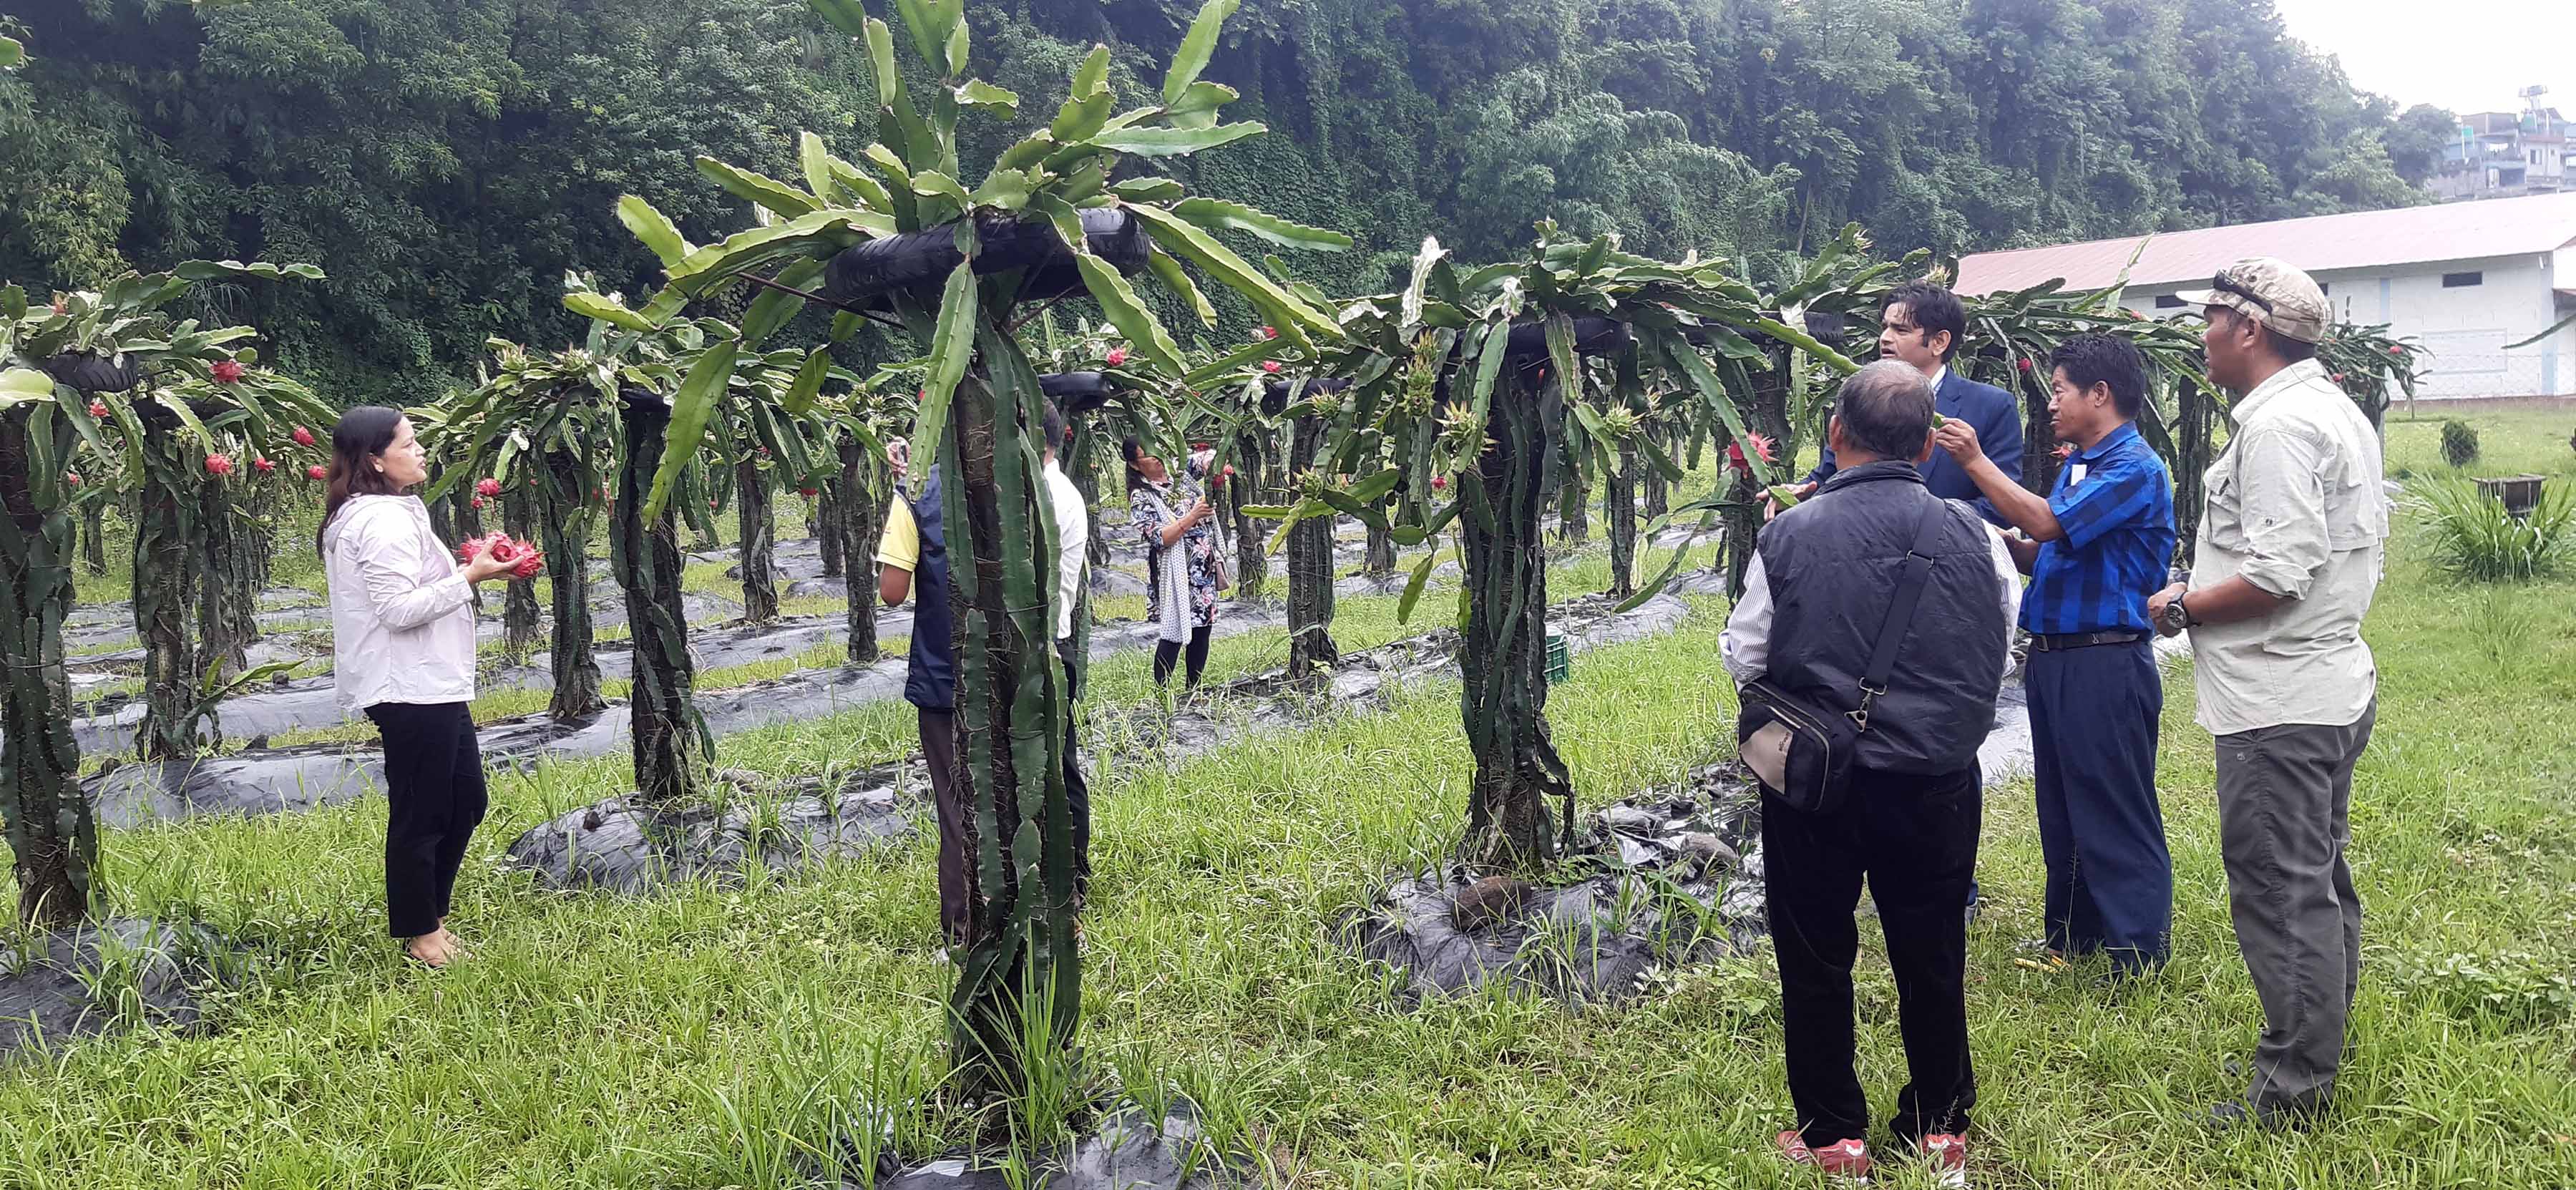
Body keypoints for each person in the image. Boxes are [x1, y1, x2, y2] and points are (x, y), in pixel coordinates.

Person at [1723, 361, 2021, 1184]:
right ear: (1929, 445)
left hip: (1817, 784)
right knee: (1932, 949)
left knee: (1815, 951)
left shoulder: (1789, 533)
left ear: (1835, 436)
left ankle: (1834, 1136)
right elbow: (1997, 652)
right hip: (1936, 780)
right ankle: (1939, 1126)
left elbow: (1746, 653)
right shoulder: (1979, 536)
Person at [2150, 258, 2386, 1130]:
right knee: (2316, 878)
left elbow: (2280, 572)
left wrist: (2182, 603)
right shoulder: (2330, 409)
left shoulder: (2282, 426)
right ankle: (2320, 1038)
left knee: (2283, 893)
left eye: (2208, 318)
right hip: (2323, 684)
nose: (2199, 335)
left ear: (2248, 329)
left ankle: (2293, 1093)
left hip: (2279, 701)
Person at [1934, 333, 2179, 974]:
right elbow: (2045, 546)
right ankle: (2069, 938)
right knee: (2063, 804)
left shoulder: (2134, 468)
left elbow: (2049, 523)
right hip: (2055, 656)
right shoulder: (2083, 464)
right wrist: (1996, 538)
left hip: (2105, 657)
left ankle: (2136, 951)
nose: (2051, 402)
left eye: (2062, 389)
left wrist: (1975, 461)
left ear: (2101, 395)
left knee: (2115, 804)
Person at [318, 406, 517, 968]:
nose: (421, 449)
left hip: (428, 680)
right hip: (408, 686)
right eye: (410, 442)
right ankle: (420, 932)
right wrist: (472, 576)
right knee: (423, 808)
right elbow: (398, 609)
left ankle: (431, 914)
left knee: (465, 800)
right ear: (377, 459)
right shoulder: (379, 520)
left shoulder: (388, 510)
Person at [1787, 281, 2024, 525]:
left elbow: (2002, 504)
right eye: (1885, 327)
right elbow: (1826, 475)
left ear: (1940, 342)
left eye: (1901, 330)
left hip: (1944, 557)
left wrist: (1927, 526)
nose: (1885, 339)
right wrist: (1797, 493)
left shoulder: (1992, 406)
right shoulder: (1862, 394)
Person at [874, 437, 972, 945]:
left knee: (956, 805)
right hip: (1005, 672)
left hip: (942, 674)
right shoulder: (1013, 479)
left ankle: (963, 930)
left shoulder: (916, 494)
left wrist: (904, 490)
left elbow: (892, 592)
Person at [1040, 402, 1092, 905]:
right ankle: (1071, 868)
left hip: (1047, 643)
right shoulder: (1057, 489)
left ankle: (1071, 874)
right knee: (1058, 759)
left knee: (1055, 764)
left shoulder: (1046, 494)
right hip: (1053, 640)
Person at [1124, 437, 1220, 691]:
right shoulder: (1141, 497)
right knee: (1173, 633)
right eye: (1148, 455)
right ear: (1135, 465)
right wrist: (1193, 516)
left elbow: (1203, 461)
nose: (1157, 458)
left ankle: (1194, 688)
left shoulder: (1180, 475)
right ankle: (1162, 692)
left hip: (1202, 570)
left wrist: (1212, 460)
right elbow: (1159, 537)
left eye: (1158, 451)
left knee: (1202, 629)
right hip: (1174, 574)